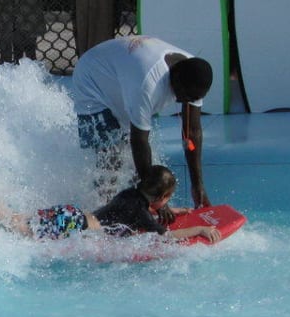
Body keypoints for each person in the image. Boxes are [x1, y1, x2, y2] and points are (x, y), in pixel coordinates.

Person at [71, 35, 213, 212]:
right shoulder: (149, 84)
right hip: (92, 81)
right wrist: (155, 200)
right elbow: (139, 140)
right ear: (175, 78)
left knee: (133, 165)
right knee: (111, 158)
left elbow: (192, 131)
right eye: (185, 96)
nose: (186, 102)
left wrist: (197, 185)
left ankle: (135, 209)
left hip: (120, 78)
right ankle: (100, 213)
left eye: (194, 99)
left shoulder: (193, 77)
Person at [0, 166, 221, 243]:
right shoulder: (140, 211)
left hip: (72, 214)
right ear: (160, 199)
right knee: (14, 229)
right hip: (74, 225)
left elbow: (138, 211)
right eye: (168, 200)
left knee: (13, 219)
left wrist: (172, 210)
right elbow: (167, 236)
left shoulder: (131, 193)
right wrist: (200, 229)